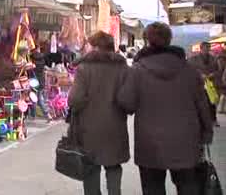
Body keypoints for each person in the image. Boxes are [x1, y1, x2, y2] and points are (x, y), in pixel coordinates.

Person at [118, 22, 213, 195]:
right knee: (187, 187)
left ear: (147, 41)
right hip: (186, 140)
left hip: (150, 143)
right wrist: (207, 132)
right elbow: (203, 105)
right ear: (169, 40)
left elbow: (127, 104)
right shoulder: (189, 70)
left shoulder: (137, 71)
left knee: (153, 188)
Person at [68, 31, 129, 195]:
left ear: (95, 47)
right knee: (114, 166)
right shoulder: (122, 68)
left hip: (89, 127)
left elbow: (75, 100)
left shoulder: (84, 68)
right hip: (115, 126)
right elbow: (128, 100)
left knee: (91, 167)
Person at [188, 42, 219, 127]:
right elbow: (190, 70)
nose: (207, 50)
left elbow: (218, 70)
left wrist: (213, 74)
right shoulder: (193, 59)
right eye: (205, 48)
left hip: (210, 84)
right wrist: (200, 74)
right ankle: (200, 120)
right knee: (200, 102)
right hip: (199, 84)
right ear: (201, 49)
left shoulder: (213, 59)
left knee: (212, 102)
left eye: (208, 48)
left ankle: (214, 120)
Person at [31, 45, 52, 122]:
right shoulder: (42, 58)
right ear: (38, 49)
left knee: (33, 99)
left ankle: (32, 116)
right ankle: (47, 115)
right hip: (41, 81)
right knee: (39, 99)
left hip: (34, 81)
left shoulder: (31, 58)